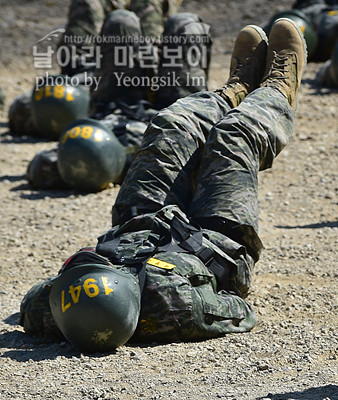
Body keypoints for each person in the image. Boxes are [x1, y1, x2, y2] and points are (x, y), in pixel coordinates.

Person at [18, 19, 305, 352]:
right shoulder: (176, 306)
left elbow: (31, 304)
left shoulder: (51, 308)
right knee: (235, 135)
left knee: (170, 123)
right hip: (216, 241)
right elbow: (240, 312)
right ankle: (277, 92)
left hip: (140, 225)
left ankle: (234, 92)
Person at [21, 7, 210, 191]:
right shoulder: (176, 156)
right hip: (176, 118)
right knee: (186, 25)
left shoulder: (99, 155)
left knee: (120, 20)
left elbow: (43, 165)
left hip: (120, 108)